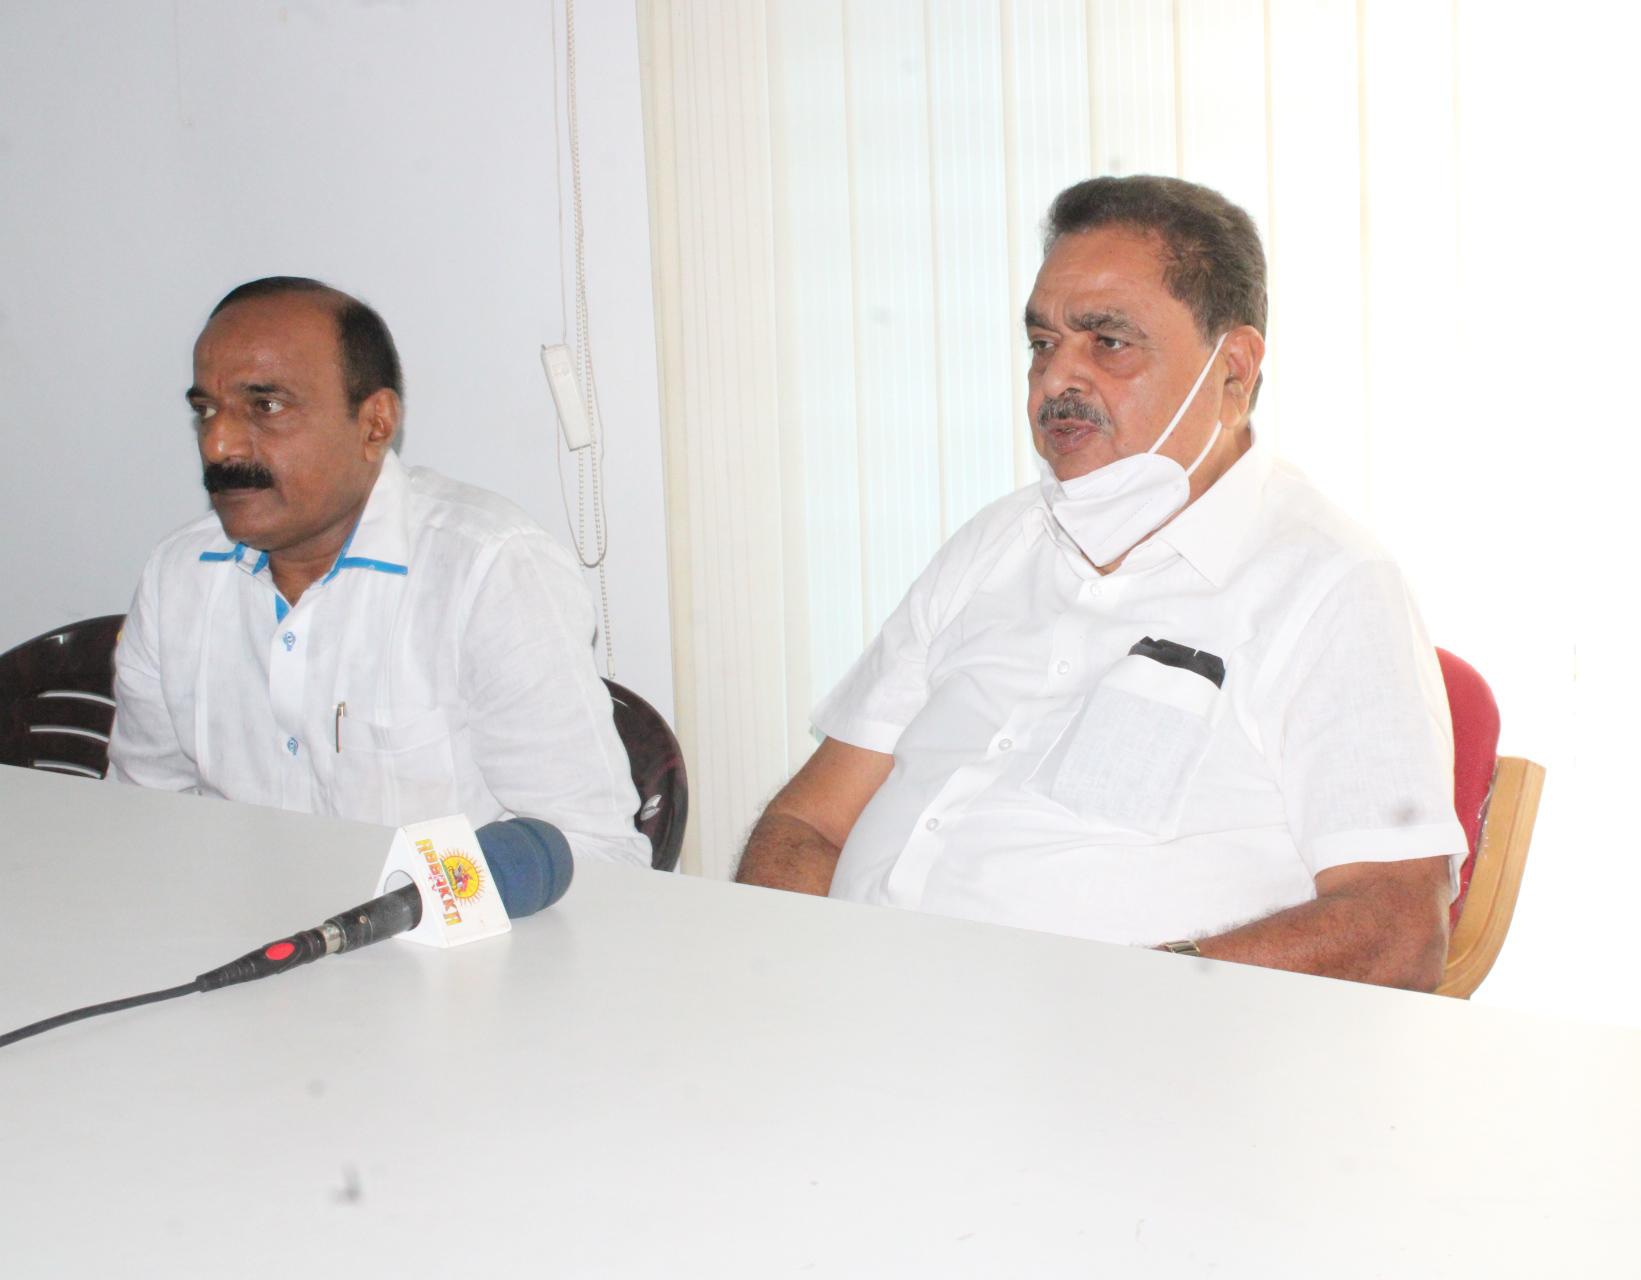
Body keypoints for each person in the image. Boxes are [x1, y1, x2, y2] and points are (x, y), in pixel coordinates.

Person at [737, 176, 1466, 990]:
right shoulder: (996, 542)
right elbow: (807, 822)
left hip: (1110, 1044)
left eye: (1108, 342)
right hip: (848, 1005)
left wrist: (1123, 1003)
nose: (1056, 380)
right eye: (1041, 344)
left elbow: (1395, 929)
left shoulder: (1328, 585)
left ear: (1233, 369)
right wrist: (784, 974)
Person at [109, 276, 651, 868]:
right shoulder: (177, 576)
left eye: (266, 406)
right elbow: (141, 815)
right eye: (206, 411)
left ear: (375, 424)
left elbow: (596, 854)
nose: (218, 445)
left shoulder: (489, 571)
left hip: (438, 925)